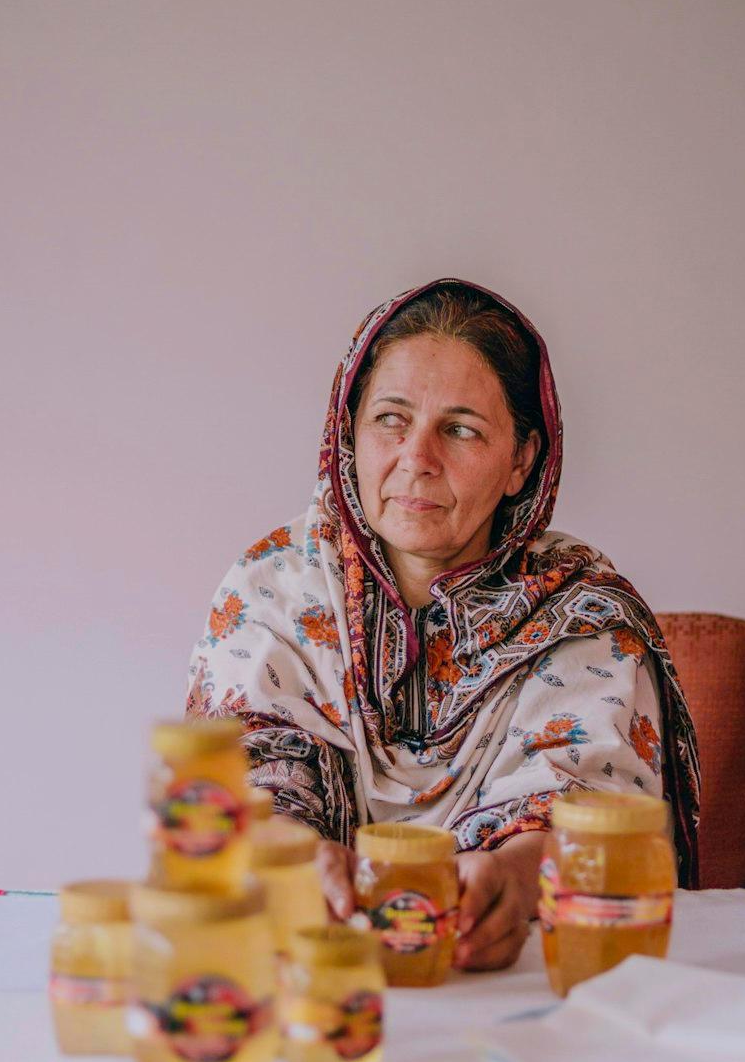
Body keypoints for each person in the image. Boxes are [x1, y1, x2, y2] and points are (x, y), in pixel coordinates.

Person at [186, 277, 700, 971]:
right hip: (308, 980)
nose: (416, 458)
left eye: (459, 430)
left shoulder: (581, 613)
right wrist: (288, 854)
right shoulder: (274, 586)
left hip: (522, 984)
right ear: (350, 429)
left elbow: (586, 803)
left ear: (522, 459)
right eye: (391, 419)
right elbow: (244, 773)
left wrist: (516, 881)